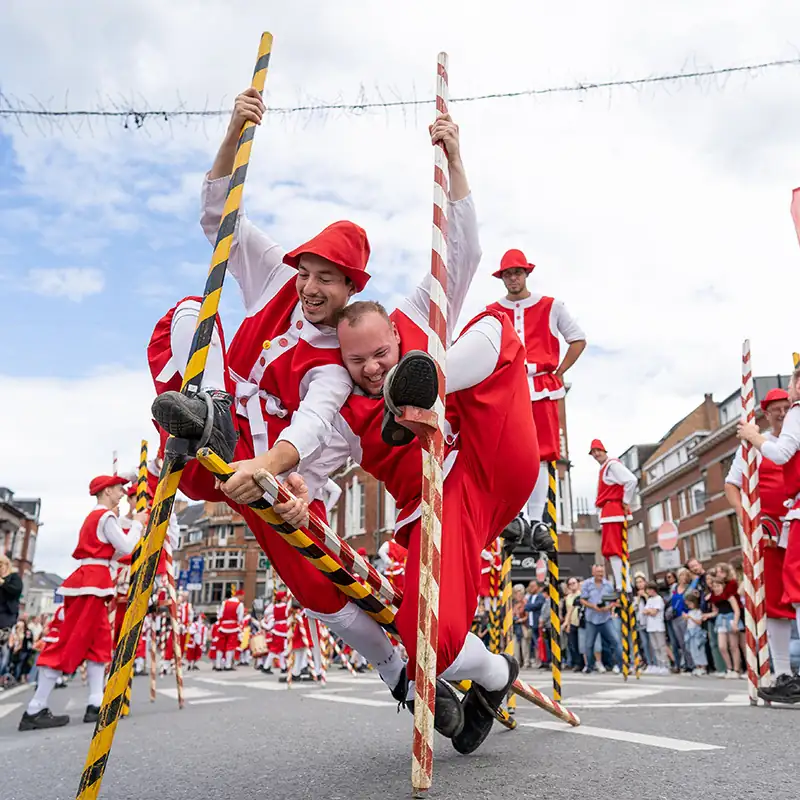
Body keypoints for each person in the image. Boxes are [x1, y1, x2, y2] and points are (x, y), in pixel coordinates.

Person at [19, 475, 146, 731]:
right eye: (119, 489)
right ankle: (35, 708)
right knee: (68, 642)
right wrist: (137, 524)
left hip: (93, 584)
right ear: (108, 491)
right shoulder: (105, 517)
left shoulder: (96, 518)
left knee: (99, 643)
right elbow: (127, 546)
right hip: (91, 585)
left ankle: (96, 703)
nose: (122, 493)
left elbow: (114, 550)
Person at [486, 249, 586, 545]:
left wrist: (559, 370)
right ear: (501, 277)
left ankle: (535, 519)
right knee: (508, 451)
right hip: (508, 386)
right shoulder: (492, 310)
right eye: (507, 273)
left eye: (517, 272)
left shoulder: (551, 305)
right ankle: (515, 517)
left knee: (542, 454)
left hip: (541, 386)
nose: (512, 278)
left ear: (526, 274)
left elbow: (578, 339)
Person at [726, 387, 798, 699]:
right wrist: (748, 520)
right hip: (768, 530)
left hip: (795, 521)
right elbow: (732, 485)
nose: (782, 413)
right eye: (776, 409)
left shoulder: (794, 435)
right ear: (766, 413)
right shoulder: (752, 446)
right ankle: (781, 669)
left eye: (786, 407)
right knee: (776, 603)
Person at [588, 439, 637, 591]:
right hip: (610, 511)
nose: (596, 454)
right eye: (593, 452)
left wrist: (625, 501)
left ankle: (622, 585)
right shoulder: (605, 467)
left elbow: (631, 480)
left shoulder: (612, 465)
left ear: (604, 450)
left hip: (613, 511)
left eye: (598, 451)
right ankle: (622, 584)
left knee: (614, 549)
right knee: (615, 549)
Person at [579, 565, 622, 674]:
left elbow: (614, 600)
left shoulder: (608, 584)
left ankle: (620, 665)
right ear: (593, 572)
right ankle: (589, 666)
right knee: (589, 644)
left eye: (602, 572)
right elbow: (582, 600)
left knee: (615, 641)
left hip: (606, 617)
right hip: (591, 618)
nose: (600, 574)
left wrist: (608, 607)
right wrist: (593, 606)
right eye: (598, 572)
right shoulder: (587, 584)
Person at [0, 553, 23, 681]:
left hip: (6, 618)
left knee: (4, 650)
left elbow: (16, 590)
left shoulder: (14, 578)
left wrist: (3, 583)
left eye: (1, 565)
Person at [642, 582, 669, 674]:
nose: (647, 591)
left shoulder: (659, 599)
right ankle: (659, 664)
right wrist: (649, 611)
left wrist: (649, 611)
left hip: (658, 626)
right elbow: (644, 611)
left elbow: (654, 612)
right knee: (655, 646)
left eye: (649, 589)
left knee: (661, 646)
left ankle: (665, 665)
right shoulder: (649, 600)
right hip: (650, 626)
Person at [216, 589, 245, 671]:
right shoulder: (240, 604)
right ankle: (228, 665)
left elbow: (220, 615)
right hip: (233, 627)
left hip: (223, 627)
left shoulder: (224, 602)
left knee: (220, 646)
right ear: (239, 595)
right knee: (230, 646)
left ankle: (218, 665)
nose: (243, 598)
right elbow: (240, 618)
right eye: (243, 596)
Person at [684, 591, 709, 676]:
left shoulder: (698, 612)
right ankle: (697, 666)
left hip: (696, 632)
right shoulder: (690, 612)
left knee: (699, 650)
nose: (689, 606)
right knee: (692, 650)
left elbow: (699, 622)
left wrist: (690, 618)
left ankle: (703, 667)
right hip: (690, 632)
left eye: (690, 604)